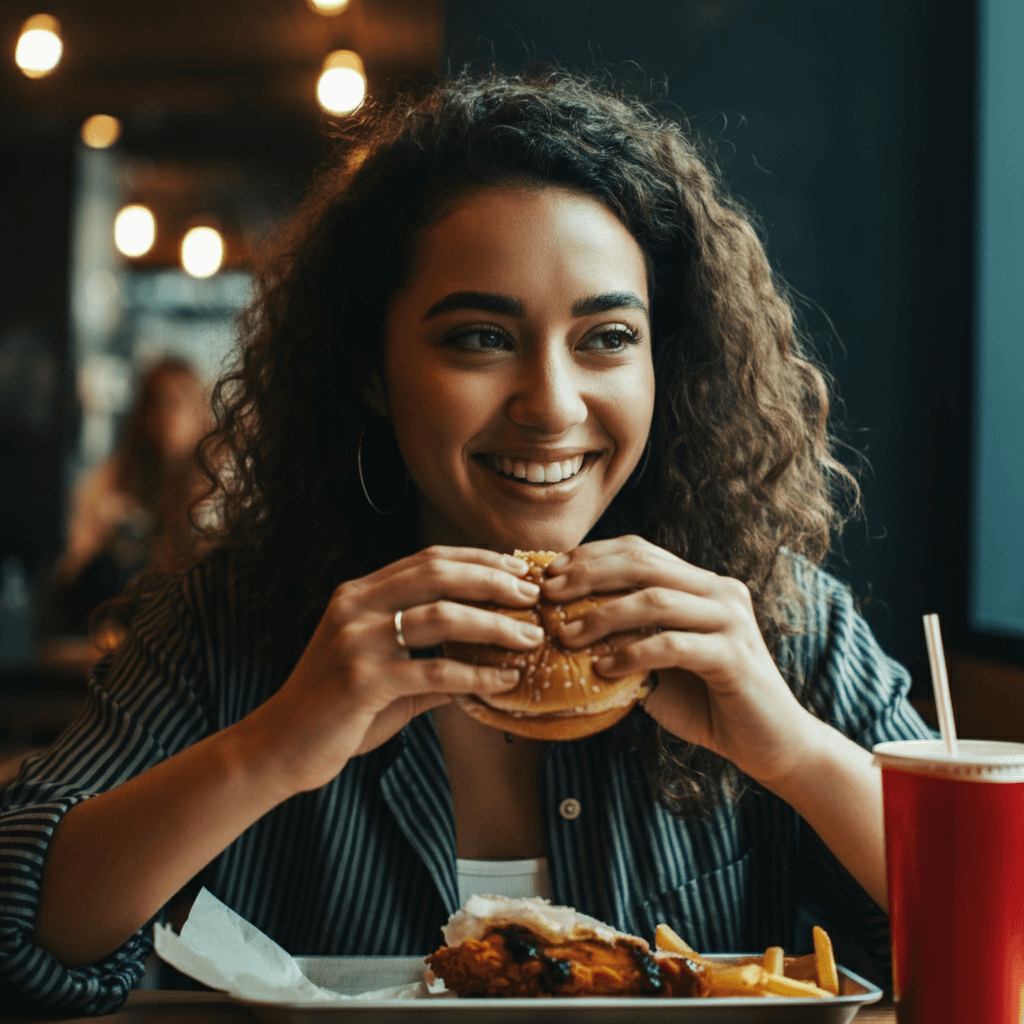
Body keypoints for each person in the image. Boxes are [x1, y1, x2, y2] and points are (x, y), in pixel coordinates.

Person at [0, 69, 931, 1012]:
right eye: (481, 339)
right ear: (371, 369)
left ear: (665, 364)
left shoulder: (777, 622)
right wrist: (272, 748)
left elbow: (993, 935)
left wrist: (794, 752)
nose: (553, 408)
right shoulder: (229, 621)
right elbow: (15, 936)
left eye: (607, 338)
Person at [46, 357, 212, 635]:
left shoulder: (215, 486)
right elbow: (70, 572)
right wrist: (106, 537)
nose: (169, 415)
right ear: (141, 414)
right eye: (157, 402)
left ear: (201, 409)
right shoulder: (108, 482)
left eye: (180, 402)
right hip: (111, 632)